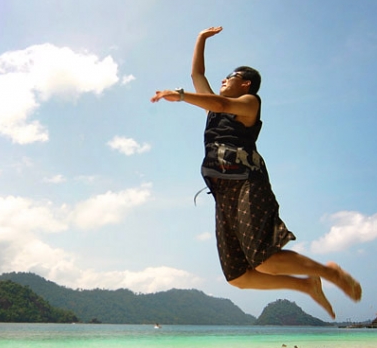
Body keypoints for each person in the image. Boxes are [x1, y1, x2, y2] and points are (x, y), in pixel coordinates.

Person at [150, 26, 361, 319]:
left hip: (247, 183)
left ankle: (329, 272)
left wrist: (182, 96)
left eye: (231, 76)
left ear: (246, 84)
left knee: (264, 259)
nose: (223, 80)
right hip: (222, 193)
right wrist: (200, 38)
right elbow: (198, 74)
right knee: (238, 276)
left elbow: (220, 102)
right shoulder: (214, 111)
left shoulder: (250, 103)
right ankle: (305, 285)